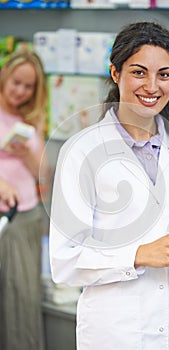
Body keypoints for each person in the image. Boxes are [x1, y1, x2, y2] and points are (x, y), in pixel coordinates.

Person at [49, 22, 169, 350]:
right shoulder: (82, 151)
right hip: (116, 331)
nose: (152, 86)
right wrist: (139, 255)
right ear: (116, 73)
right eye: (139, 72)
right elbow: (65, 261)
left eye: (164, 74)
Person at [0, 49, 48, 350]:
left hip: (25, 217)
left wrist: (26, 153)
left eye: (28, 86)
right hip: (4, 216)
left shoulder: (32, 118)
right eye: (16, 82)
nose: (20, 91)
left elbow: (42, 173)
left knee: (22, 301)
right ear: (5, 75)